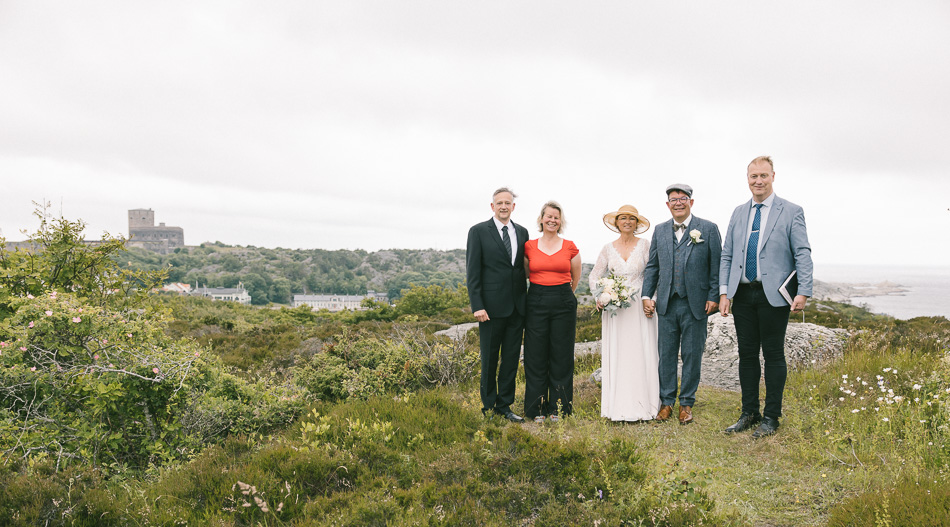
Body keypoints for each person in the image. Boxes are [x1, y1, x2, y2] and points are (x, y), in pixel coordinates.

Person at [719, 156, 813, 438]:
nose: (758, 181)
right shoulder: (737, 212)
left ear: (773, 176)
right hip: (743, 295)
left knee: (773, 356)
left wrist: (804, 291)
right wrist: (724, 292)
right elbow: (727, 255)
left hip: (775, 296)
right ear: (747, 179)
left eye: (763, 175)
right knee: (747, 356)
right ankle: (749, 413)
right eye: (753, 176)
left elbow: (802, 253)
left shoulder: (791, 211)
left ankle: (771, 417)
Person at [641, 184, 722, 425]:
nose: (678, 202)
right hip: (666, 303)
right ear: (668, 205)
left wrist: (714, 296)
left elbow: (716, 265)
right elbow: (653, 266)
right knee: (665, 355)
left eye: (683, 198)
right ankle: (666, 402)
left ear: (691, 202)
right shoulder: (659, 230)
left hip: (696, 304)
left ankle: (686, 403)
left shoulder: (708, 228)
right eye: (673, 199)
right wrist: (647, 295)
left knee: (691, 354)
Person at [589, 204, 659, 422]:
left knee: (642, 350)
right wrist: (601, 297)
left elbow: (654, 273)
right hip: (616, 310)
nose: (627, 222)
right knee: (620, 352)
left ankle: (646, 405)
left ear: (637, 224)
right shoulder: (608, 248)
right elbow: (594, 276)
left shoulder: (646, 245)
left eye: (632, 218)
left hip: (641, 305)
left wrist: (652, 299)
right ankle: (618, 406)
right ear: (617, 223)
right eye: (623, 218)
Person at [466, 187, 529, 423]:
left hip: (517, 308)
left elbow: (521, 268)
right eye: (499, 203)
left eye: (508, 203)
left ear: (513, 207)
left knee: (511, 360)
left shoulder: (522, 232)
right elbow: (473, 272)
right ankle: (488, 408)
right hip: (490, 309)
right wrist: (477, 305)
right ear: (492, 206)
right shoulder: (478, 231)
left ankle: (505, 406)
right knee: (490, 360)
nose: (504, 206)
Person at [522, 201, 581, 422]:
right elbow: (526, 274)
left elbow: (575, 277)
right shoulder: (529, 246)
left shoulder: (570, 246)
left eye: (556, 217)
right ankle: (536, 409)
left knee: (561, 355)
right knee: (535, 355)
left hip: (563, 301)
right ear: (541, 219)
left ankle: (559, 408)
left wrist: (563, 294)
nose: (552, 220)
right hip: (536, 300)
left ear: (560, 221)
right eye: (548, 216)